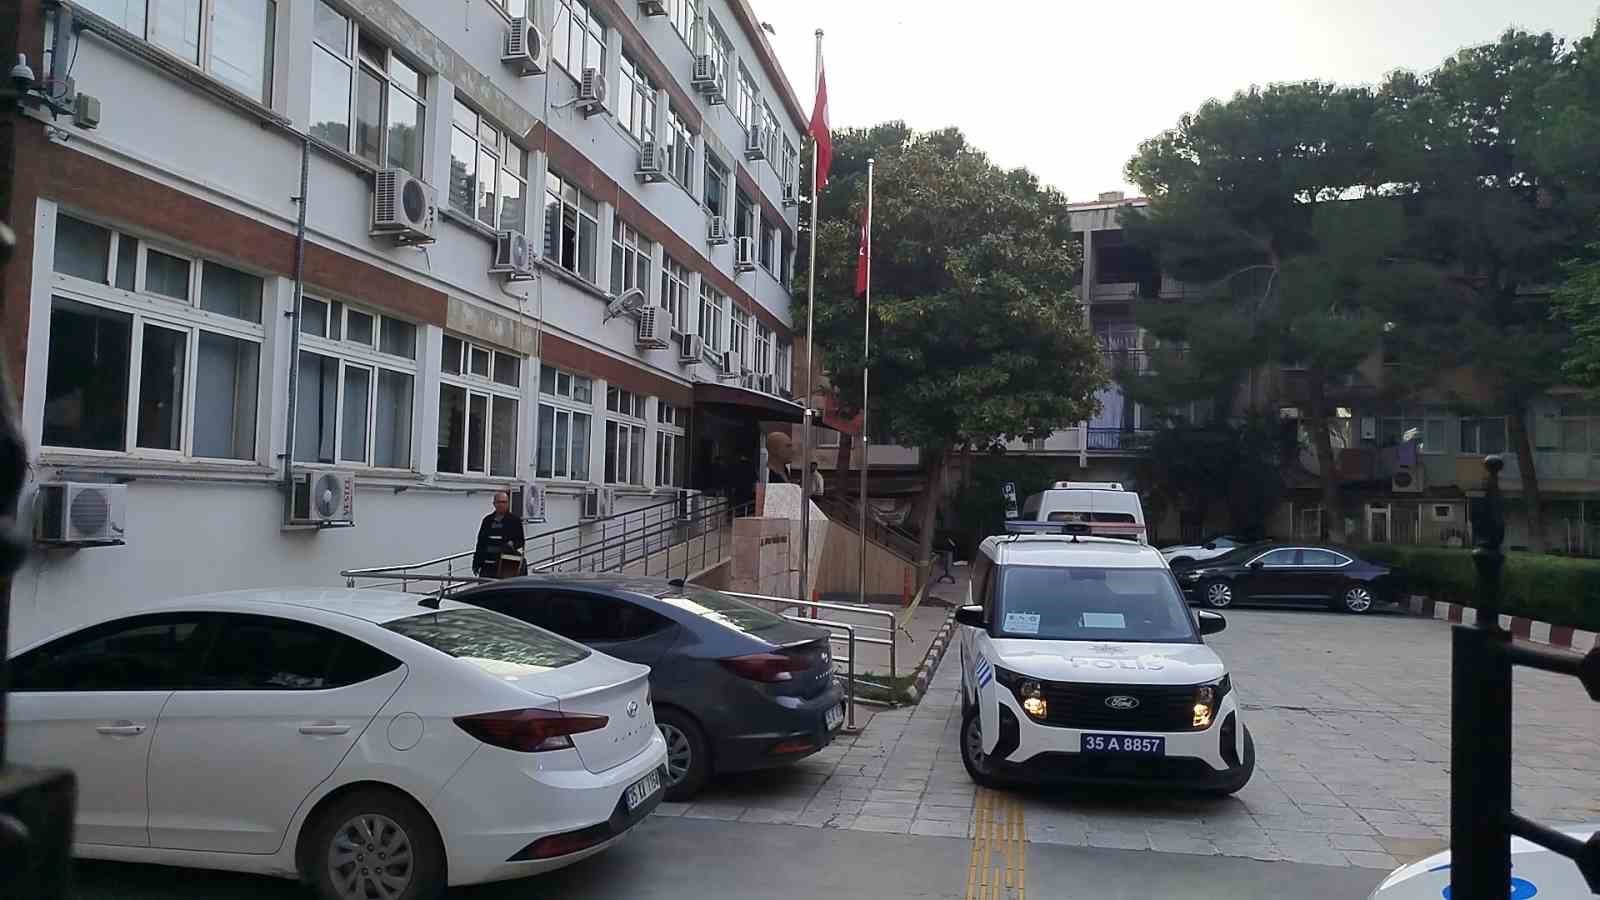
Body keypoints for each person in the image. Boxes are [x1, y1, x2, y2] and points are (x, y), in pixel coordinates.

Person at [473, 491, 525, 578]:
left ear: (508, 504)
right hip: (487, 564)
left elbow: (521, 541)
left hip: (506, 564)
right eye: (499, 502)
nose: (501, 505)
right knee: (486, 586)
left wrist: (512, 544)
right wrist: (476, 563)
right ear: (494, 504)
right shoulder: (487, 520)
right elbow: (481, 543)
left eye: (504, 502)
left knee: (504, 586)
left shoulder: (515, 521)